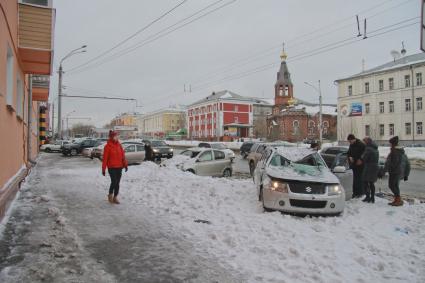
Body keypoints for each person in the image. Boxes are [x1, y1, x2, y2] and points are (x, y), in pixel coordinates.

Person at [102, 130, 128, 204]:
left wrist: (125, 165)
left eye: (117, 136)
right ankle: (110, 194)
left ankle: (115, 197)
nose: (117, 137)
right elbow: (105, 159)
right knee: (114, 181)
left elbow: (123, 156)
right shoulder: (107, 146)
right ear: (112, 137)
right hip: (111, 167)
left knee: (117, 183)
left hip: (119, 167)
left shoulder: (119, 145)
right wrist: (103, 169)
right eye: (115, 136)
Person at [384, 136, 410, 206]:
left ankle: (398, 200)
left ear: (393, 144)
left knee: (392, 185)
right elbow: (408, 164)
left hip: (394, 172)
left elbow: (389, 163)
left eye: (390, 144)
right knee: (395, 186)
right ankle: (397, 199)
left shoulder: (394, 152)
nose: (390, 145)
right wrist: (406, 174)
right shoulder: (402, 152)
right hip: (399, 172)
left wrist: (383, 171)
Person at [361, 137, 379, 203]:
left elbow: (364, 158)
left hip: (368, 167)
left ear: (367, 142)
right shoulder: (375, 148)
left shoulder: (368, 149)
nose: (364, 143)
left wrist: (362, 156)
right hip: (375, 167)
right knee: (371, 183)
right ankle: (372, 197)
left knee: (365, 182)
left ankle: (368, 196)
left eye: (364, 142)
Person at [347, 134, 366, 198]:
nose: (350, 142)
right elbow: (348, 153)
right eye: (349, 141)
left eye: (350, 141)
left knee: (359, 179)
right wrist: (350, 157)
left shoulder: (361, 144)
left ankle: (360, 192)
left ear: (353, 139)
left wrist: (361, 159)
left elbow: (365, 153)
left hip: (360, 165)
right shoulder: (351, 145)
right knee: (354, 179)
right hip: (353, 164)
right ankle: (355, 192)